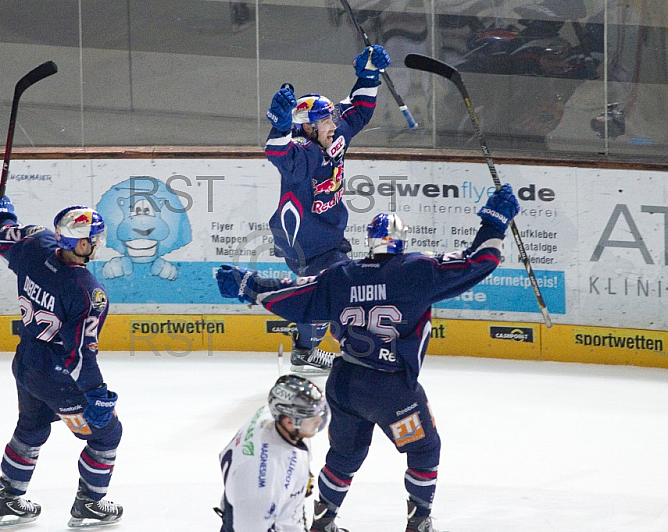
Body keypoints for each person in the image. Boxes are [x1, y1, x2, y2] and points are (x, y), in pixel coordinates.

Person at [217, 184, 521, 532]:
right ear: (400, 241)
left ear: (371, 241)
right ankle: (419, 522)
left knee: (344, 457)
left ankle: (323, 520)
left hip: (344, 384)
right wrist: (495, 223)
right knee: (424, 450)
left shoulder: (342, 275)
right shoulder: (416, 271)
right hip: (392, 390)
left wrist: (249, 285)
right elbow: (478, 262)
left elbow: (294, 294)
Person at [0, 195, 123, 528]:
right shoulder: (88, 291)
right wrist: (96, 394)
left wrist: (1, 216)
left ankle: (8, 500)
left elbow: (6, 237)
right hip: (60, 381)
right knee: (107, 435)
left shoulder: (36, 245)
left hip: (27, 365)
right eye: (95, 238)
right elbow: (78, 354)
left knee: (32, 427)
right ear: (83, 242)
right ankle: (90, 504)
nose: (98, 244)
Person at [263, 43, 391, 374]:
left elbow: (359, 110)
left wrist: (369, 74)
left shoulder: (332, 137)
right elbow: (279, 155)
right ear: (306, 127)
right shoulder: (303, 152)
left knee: (328, 295)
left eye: (331, 118)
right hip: (305, 243)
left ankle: (306, 350)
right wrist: (278, 128)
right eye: (324, 121)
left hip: (329, 235)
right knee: (340, 292)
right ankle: (355, 351)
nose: (333, 125)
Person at [216, 375, 329, 532]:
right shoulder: (266, 478)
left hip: (246, 509)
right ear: (289, 421)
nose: (319, 421)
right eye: (311, 417)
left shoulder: (270, 416)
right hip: (253, 518)